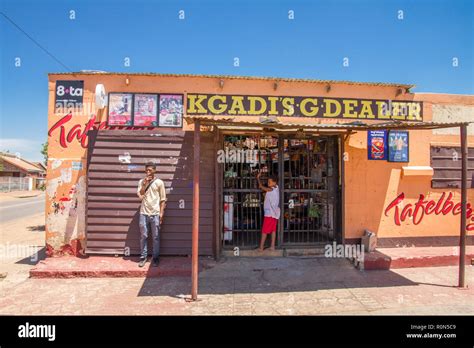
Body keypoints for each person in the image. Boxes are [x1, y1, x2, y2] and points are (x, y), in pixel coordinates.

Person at [137, 162, 167, 267]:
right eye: (146, 170)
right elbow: (140, 195)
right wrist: (144, 184)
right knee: (143, 236)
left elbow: (163, 199)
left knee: (156, 237)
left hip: (155, 214)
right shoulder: (141, 182)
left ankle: (155, 258)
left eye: (150, 170)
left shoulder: (159, 183)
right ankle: (143, 257)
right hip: (143, 213)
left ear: (155, 170)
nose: (148, 172)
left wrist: (161, 213)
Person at [256, 171, 280, 252]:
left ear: (275, 182)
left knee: (264, 231)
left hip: (269, 214)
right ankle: (272, 246)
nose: (268, 183)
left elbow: (261, 186)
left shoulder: (271, 189)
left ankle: (261, 247)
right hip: (275, 214)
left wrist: (258, 178)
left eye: (270, 182)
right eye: (268, 181)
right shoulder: (276, 188)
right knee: (273, 230)